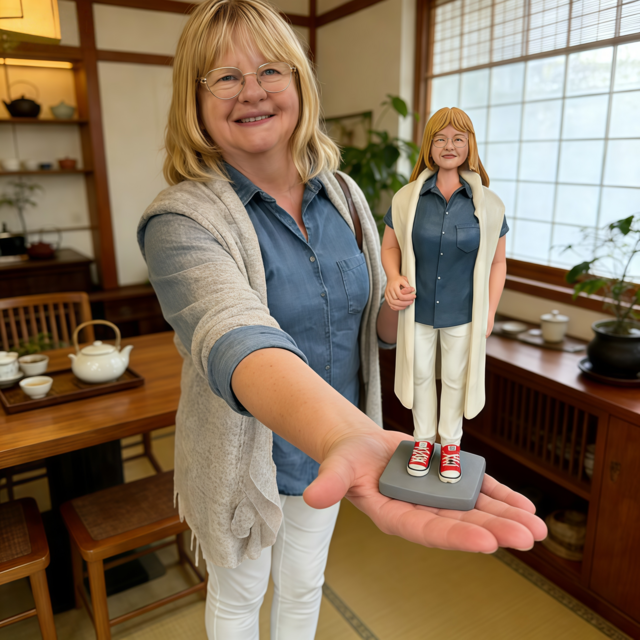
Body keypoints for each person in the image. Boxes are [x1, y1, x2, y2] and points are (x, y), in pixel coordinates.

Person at [137, 2, 546, 638]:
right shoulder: (180, 220)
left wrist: (407, 305)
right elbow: (234, 333)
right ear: (194, 99)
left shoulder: (345, 196)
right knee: (241, 598)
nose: (253, 91)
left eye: (271, 70)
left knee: (305, 586)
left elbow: (376, 331)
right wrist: (343, 435)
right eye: (225, 76)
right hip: (251, 460)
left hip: (336, 455)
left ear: (300, 82)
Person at [381, 107, 508, 483]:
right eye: (440, 138)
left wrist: (490, 312)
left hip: (463, 312)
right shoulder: (407, 199)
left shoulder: (489, 205)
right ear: (428, 146)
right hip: (417, 309)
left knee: (455, 379)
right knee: (420, 374)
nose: (449, 145)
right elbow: (390, 247)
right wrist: (393, 277)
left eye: (458, 138)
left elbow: (498, 262)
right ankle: (422, 441)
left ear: (470, 145)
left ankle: (451, 445)